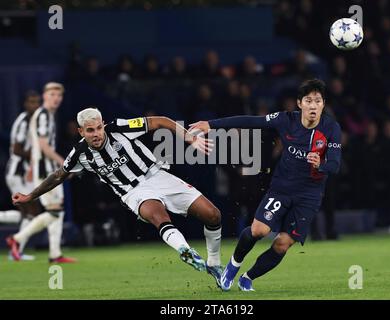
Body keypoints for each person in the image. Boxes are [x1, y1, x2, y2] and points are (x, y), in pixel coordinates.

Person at [11, 107, 224, 287]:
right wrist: (30, 196)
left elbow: (160, 121)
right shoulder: (79, 154)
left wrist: (189, 138)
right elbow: (58, 176)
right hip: (133, 192)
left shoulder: (120, 128)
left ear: (103, 124)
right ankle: (185, 251)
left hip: (158, 176)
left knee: (213, 215)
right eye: (89, 130)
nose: (96, 134)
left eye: (98, 128)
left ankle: (213, 263)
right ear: (81, 131)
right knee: (158, 215)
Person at [189, 79, 342, 291]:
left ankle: (247, 277)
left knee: (283, 243)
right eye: (309, 100)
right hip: (282, 188)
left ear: (323, 104)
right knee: (259, 230)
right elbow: (250, 121)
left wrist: (322, 164)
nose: (313, 105)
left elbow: (335, 164)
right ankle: (232, 267)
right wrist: (210, 125)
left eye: (318, 101)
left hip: (309, 195)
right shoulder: (285, 120)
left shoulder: (331, 128)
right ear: (299, 104)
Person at [6, 82, 76, 263]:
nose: (56, 99)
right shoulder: (43, 115)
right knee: (52, 212)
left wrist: (31, 168)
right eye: (52, 94)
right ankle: (17, 239)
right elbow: (44, 146)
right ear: (45, 96)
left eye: (59, 95)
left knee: (56, 211)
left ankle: (55, 254)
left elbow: (36, 146)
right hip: (47, 170)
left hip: (44, 168)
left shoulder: (46, 115)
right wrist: (66, 164)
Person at [0, 91, 42, 260]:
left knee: (31, 213)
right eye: (31, 102)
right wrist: (34, 156)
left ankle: (16, 251)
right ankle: (15, 252)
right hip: (17, 173)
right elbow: (17, 149)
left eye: (37, 102)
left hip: (23, 174)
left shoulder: (34, 121)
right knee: (30, 211)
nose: (35, 105)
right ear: (25, 104)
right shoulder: (24, 121)